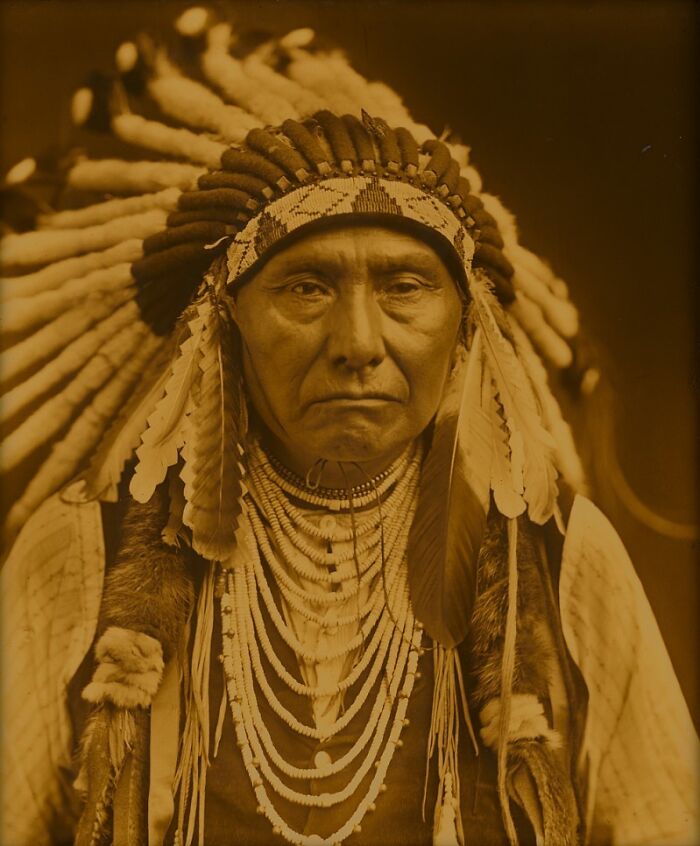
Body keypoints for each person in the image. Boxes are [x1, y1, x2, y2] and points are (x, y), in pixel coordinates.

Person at [1, 8, 697, 846]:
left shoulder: (559, 560)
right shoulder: (82, 555)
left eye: (405, 285)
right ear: (227, 324)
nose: (359, 345)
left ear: (466, 325)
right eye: (306, 288)